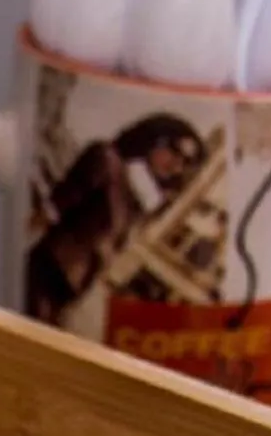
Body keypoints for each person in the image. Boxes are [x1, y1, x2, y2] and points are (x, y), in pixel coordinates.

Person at [23, 113, 205, 325]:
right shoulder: (105, 160)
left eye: (184, 162)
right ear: (154, 139)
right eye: (174, 151)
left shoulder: (142, 203)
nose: (176, 165)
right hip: (47, 271)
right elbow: (50, 211)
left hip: (70, 291)